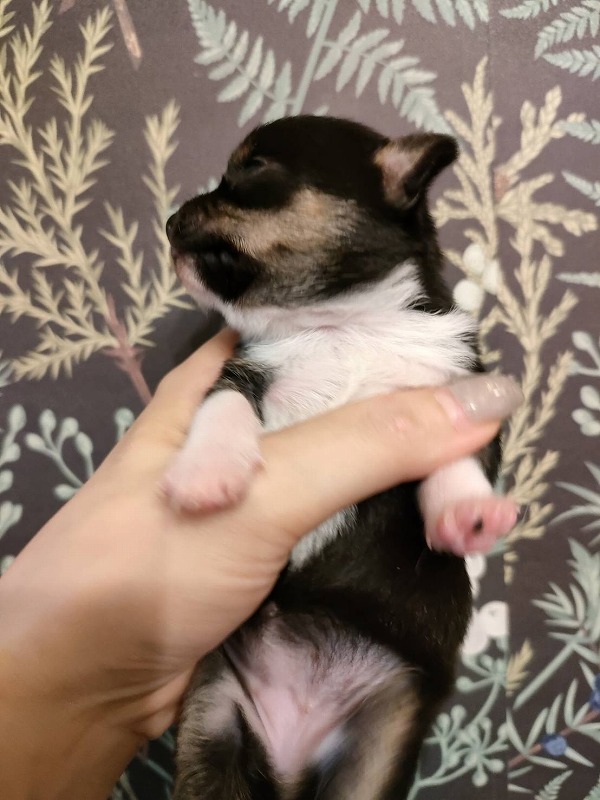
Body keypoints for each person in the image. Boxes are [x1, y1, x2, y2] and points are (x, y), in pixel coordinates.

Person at [0, 329, 520, 800]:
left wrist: (457, 488)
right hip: (247, 654)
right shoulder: (262, 355)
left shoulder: (429, 339)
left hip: (384, 663)